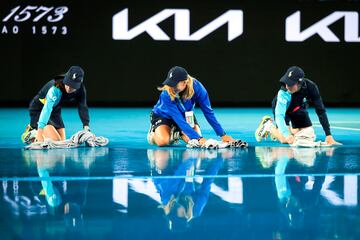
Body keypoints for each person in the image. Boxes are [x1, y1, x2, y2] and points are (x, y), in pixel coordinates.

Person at [148, 66, 235, 147]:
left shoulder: (198, 88)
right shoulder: (166, 93)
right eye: (170, 83)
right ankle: (155, 132)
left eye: (174, 84)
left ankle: (179, 133)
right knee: (163, 141)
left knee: (195, 142)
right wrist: (199, 139)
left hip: (186, 114)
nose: (171, 86)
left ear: (184, 83)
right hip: (164, 115)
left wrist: (222, 134)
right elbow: (178, 118)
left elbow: (208, 112)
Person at [255, 66, 341, 145]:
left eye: (291, 84)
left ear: (300, 82)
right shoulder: (283, 92)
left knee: (308, 133)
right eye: (286, 82)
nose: (287, 86)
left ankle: (286, 130)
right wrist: (287, 135)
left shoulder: (311, 87)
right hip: (284, 109)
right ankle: (269, 126)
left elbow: (320, 111)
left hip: (297, 108)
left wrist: (328, 135)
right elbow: (279, 115)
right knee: (284, 140)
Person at [21, 66, 90, 143]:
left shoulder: (81, 89)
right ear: (65, 79)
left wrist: (86, 127)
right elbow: (46, 110)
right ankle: (32, 130)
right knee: (55, 140)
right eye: (68, 83)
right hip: (39, 109)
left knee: (62, 141)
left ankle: (40, 131)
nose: (69, 88)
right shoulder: (55, 88)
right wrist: (40, 133)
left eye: (73, 86)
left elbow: (82, 106)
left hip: (55, 110)